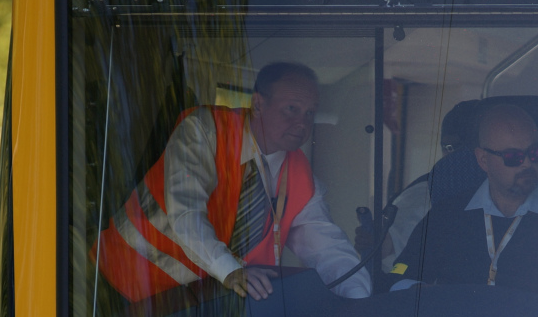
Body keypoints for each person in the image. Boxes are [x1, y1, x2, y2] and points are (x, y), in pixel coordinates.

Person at [97, 62, 371, 302]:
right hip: (123, 283)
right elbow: (186, 212)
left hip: (197, 306)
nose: (302, 122)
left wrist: (358, 300)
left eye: (310, 112)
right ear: (259, 104)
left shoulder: (302, 177)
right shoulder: (206, 131)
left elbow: (328, 249)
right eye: (292, 108)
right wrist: (230, 270)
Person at [390, 101, 538, 295]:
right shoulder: (446, 217)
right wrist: (421, 290)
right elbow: (399, 274)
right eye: (513, 157)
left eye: (535, 153)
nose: (527, 163)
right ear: (483, 160)